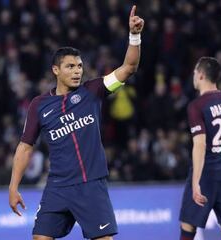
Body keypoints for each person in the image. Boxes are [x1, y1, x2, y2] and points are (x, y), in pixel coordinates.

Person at [8, 6, 144, 240]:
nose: (77, 71)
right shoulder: (39, 105)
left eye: (80, 66)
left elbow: (128, 68)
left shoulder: (94, 91)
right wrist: (13, 187)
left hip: (90, 184)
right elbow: (25, 146)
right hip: (57, 186)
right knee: (40, 237)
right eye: (70, 66)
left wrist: (134, 35)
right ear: (56, 70)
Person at [179, 57, 221, 240]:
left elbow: (200, 145)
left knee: (188, 225)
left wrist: (195, 183)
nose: (193, 75)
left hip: (206, 174)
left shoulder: (196, 106)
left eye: (194, 72)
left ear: (201, 75)